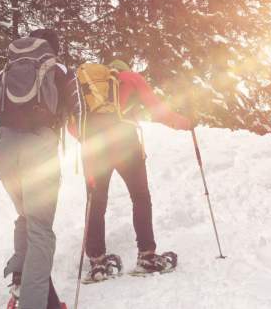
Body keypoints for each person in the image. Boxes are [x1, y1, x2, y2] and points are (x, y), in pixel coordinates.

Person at [0, 29, 77, 309]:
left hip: (5, 150)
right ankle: (33, 304)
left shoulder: (7, 72)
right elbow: (82, 113)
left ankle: (25, 284)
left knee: (27, 217)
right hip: (38, 150)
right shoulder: (59, 69)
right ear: (54, 49)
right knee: (41, 230)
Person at [72, 58, 192, 282]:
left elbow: (71, 122)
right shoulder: (131, 78)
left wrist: (86, 138)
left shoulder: (84, 86)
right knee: (140, 197)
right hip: (125, 142)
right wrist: (185, 123)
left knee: (95, 202)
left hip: (94, 146)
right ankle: (146, 257)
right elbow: (158, 111)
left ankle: (97, 264)